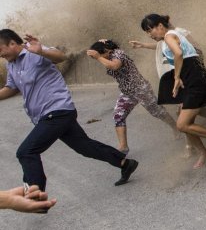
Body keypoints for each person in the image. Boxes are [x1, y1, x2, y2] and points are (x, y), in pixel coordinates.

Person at [0, 29, 139, 189]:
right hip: (51, 115)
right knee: (84, 147)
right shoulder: (12, 65)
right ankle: (124, 163)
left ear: (11, 43)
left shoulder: (34, 51)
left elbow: (60, 56)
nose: (0, 55)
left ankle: (36, 195)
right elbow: (11, 88)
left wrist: (42, 51)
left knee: (26, 152)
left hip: (56, 111)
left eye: (0, 49)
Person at [137, 14, 206, 168]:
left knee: (182, 125)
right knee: (183, 118)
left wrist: (177, 77)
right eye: (146, 32)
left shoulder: (169, 36)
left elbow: (179, 54)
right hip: (193, 79)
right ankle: (204, 152)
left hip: (194, 81)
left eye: (150, 30)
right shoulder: (172, 35)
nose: (149, 34)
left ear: (160, 26)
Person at [86, 39, 179, 154]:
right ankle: (123, 147)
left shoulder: (118, 53)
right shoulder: (107, 56)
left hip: (141, 89)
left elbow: (115, 66)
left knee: (158, 112)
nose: (97, 59)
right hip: (127, 93)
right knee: (118, 115)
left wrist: (99, 57)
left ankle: (175, 127)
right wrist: (102, 46)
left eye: (99, 55)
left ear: (106, 51)